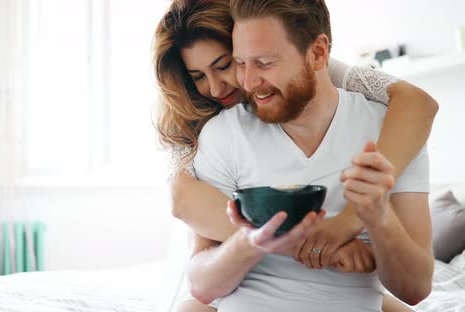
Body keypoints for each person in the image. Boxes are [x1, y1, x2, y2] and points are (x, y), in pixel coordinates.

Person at [152, 0, 437, 311]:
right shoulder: (215, 129)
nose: (225, 86)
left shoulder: (382, 123)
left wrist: (367, 217)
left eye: (225, 65)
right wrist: (292, 240)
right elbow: (181, 201)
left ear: (318, 54)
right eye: (241, 63)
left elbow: (417, 102)